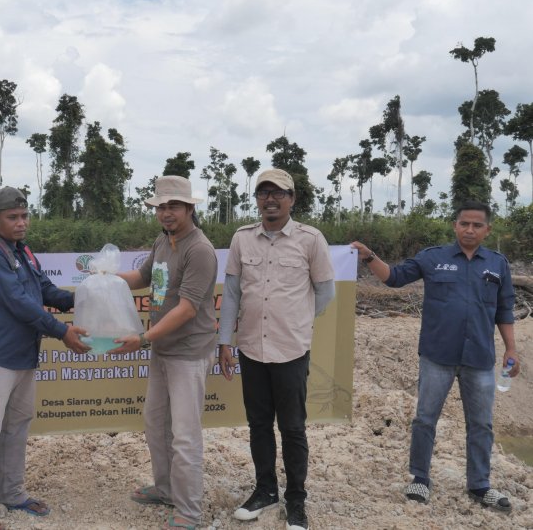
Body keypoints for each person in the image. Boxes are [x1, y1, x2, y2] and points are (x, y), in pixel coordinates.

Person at [351, 200, 519, 512]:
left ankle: (480, 485)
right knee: (425, 419)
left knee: (481, 424)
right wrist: (370, 257)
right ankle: (419, 478)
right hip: (436, 356)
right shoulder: (433, 258)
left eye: (477, 225)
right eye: (464, 224)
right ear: (455, 225)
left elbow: (505, 309)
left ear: (487, 229)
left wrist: (511, 348)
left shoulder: (498, 264)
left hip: (480, 359)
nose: (469, 229)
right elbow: (394, 277)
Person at [0, 186, 90, 530]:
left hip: (24, 357)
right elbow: (18, 301)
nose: (20, 223)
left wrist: (85, 297)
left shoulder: (24, 251)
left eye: (24, 216)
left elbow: (45, 290)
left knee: (16, 429)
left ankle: (11, 494)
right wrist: (62, 331)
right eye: (13, 217)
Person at [218, 168, 335, 530]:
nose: (270, 199)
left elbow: (325, 294)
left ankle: (296, 499)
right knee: (258, 424)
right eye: (263, 193)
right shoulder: (242, 239)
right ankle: (265, 489)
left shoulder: (311, 240)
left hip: (291, 351)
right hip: (252, 348)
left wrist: (295, 321)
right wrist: (225, 341)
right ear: (256, 199)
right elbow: (233, 293)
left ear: (292, 199)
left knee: (293, 428)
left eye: (278, 193)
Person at [112, 175, 218, 530]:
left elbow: (187, 308)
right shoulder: (163, 241)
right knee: (156, 424)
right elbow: (143, 277)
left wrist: (142, 339)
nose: (166, 212)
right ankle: (165, 489)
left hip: (188, 353)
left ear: (189, 208)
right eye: (161, 206)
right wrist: (104, 276)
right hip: (162, 349)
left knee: (185, 434)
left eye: (173, 206)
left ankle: (189, 511)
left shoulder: (199, 249)